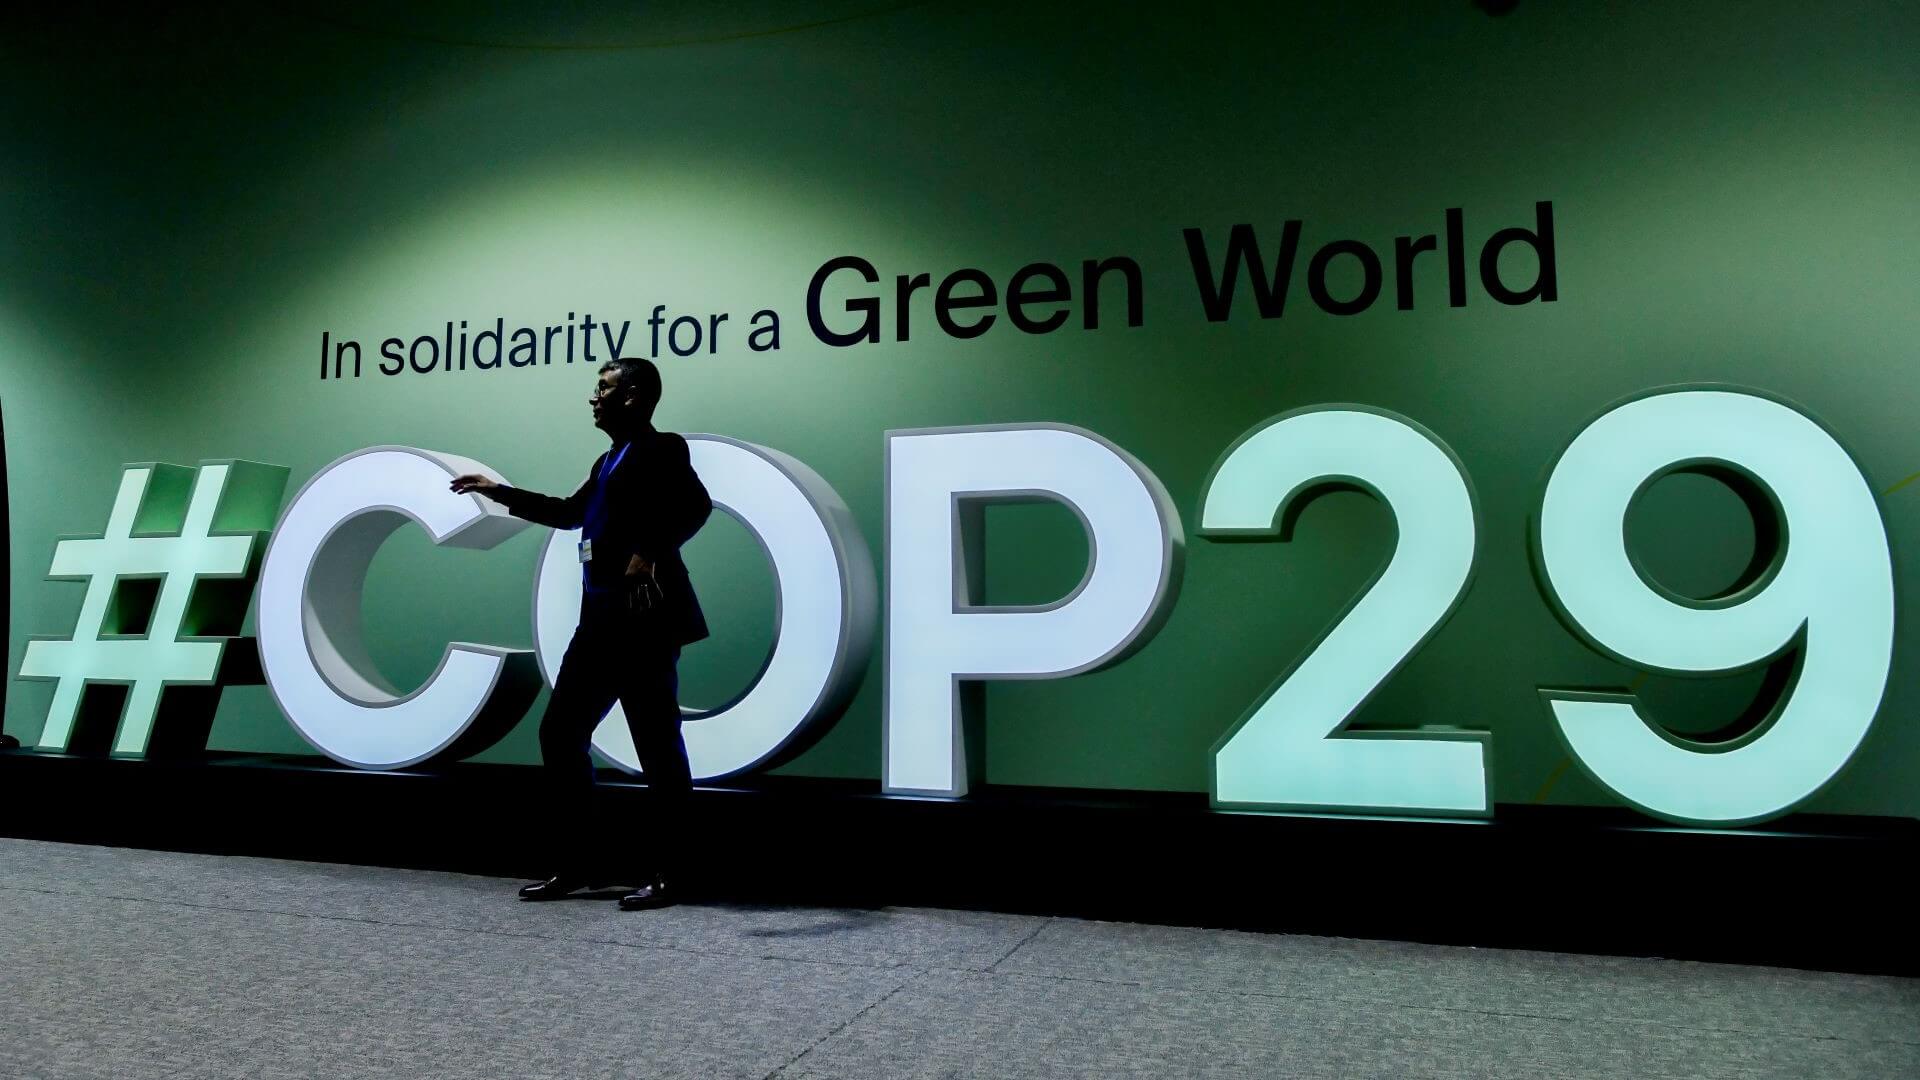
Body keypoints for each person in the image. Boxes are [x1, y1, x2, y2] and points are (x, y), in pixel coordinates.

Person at [450, 356, 711, 910]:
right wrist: (498, 491)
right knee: (560, 735)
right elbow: (571, 514)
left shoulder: (664, 449)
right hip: (597, 624)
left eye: (604, 388)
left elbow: (696, 505)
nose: (593, 398)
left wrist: (648, 552)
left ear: (635, 396)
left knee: (657, 748)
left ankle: (674, 872)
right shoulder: (608, 460)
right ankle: (580, 866)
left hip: (643, 621)